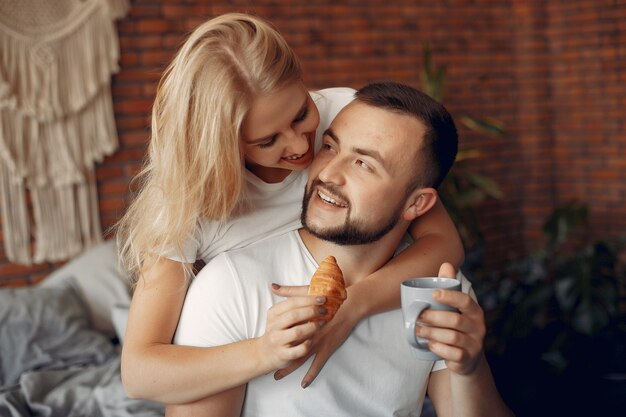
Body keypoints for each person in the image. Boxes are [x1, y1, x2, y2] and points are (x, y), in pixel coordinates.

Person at [115, 13, 464, 404]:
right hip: (237, 339)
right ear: (221, 144)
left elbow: (444, 245)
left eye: (301, 115)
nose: (300, 146)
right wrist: (265, 351)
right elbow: (140, 373)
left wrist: (354, 305)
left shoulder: (343, 115)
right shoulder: (185, 205)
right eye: (267, 141)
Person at [168, 81, 513, 417]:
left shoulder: (435, 294)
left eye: (363, 164)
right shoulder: (232, 284)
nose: (328, 173)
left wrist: (469, 368)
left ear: (417, 204)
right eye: (330, 147)